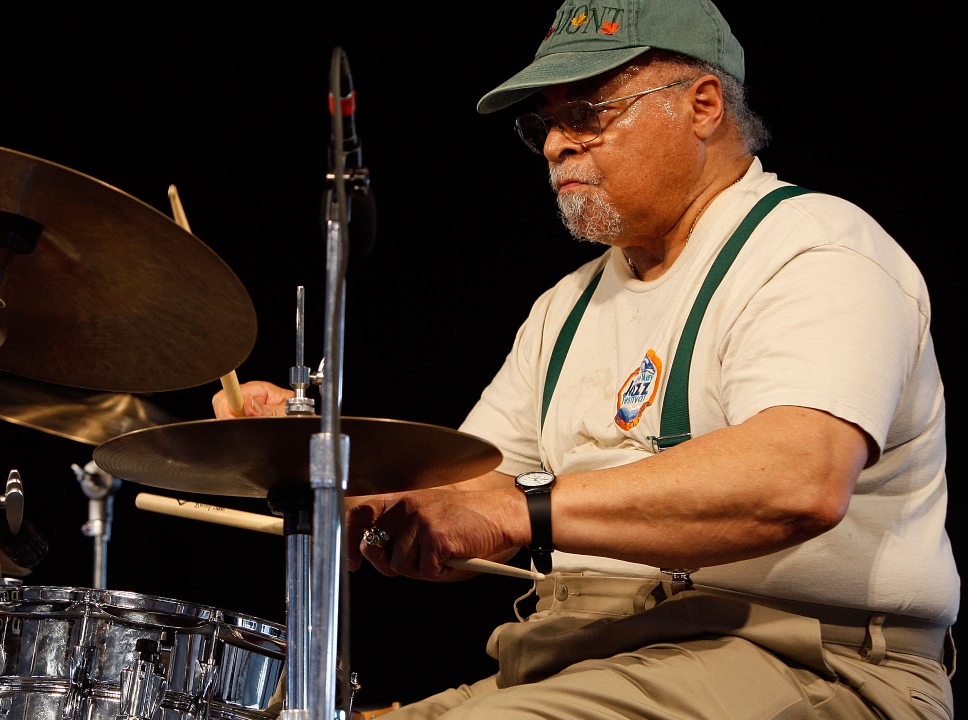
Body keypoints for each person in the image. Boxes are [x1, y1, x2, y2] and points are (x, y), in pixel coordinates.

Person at [214, 1, 957, 717]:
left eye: (588, 114)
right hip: (588, 653)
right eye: (545, 123)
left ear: (702, 106)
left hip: (805, 658)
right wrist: (323, 463)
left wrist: (522, 509)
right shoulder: (566, 307)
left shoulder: (816, 248)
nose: (554, 145)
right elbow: (467, 494)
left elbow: (798, 480)